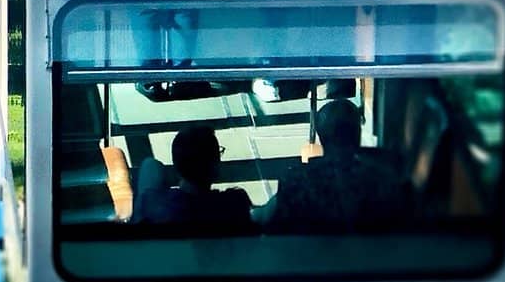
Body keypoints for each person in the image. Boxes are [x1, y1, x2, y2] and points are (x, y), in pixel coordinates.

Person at [255, 99, 407, 233]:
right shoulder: (385, 179)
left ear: (322, 138)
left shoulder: (296, 181)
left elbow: (265, 220)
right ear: (357, 134)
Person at [134, 124, 251, 231]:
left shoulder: (152, 204)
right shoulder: (235, 204)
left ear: (176, 167)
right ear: (215, 167)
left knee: (150, 164)